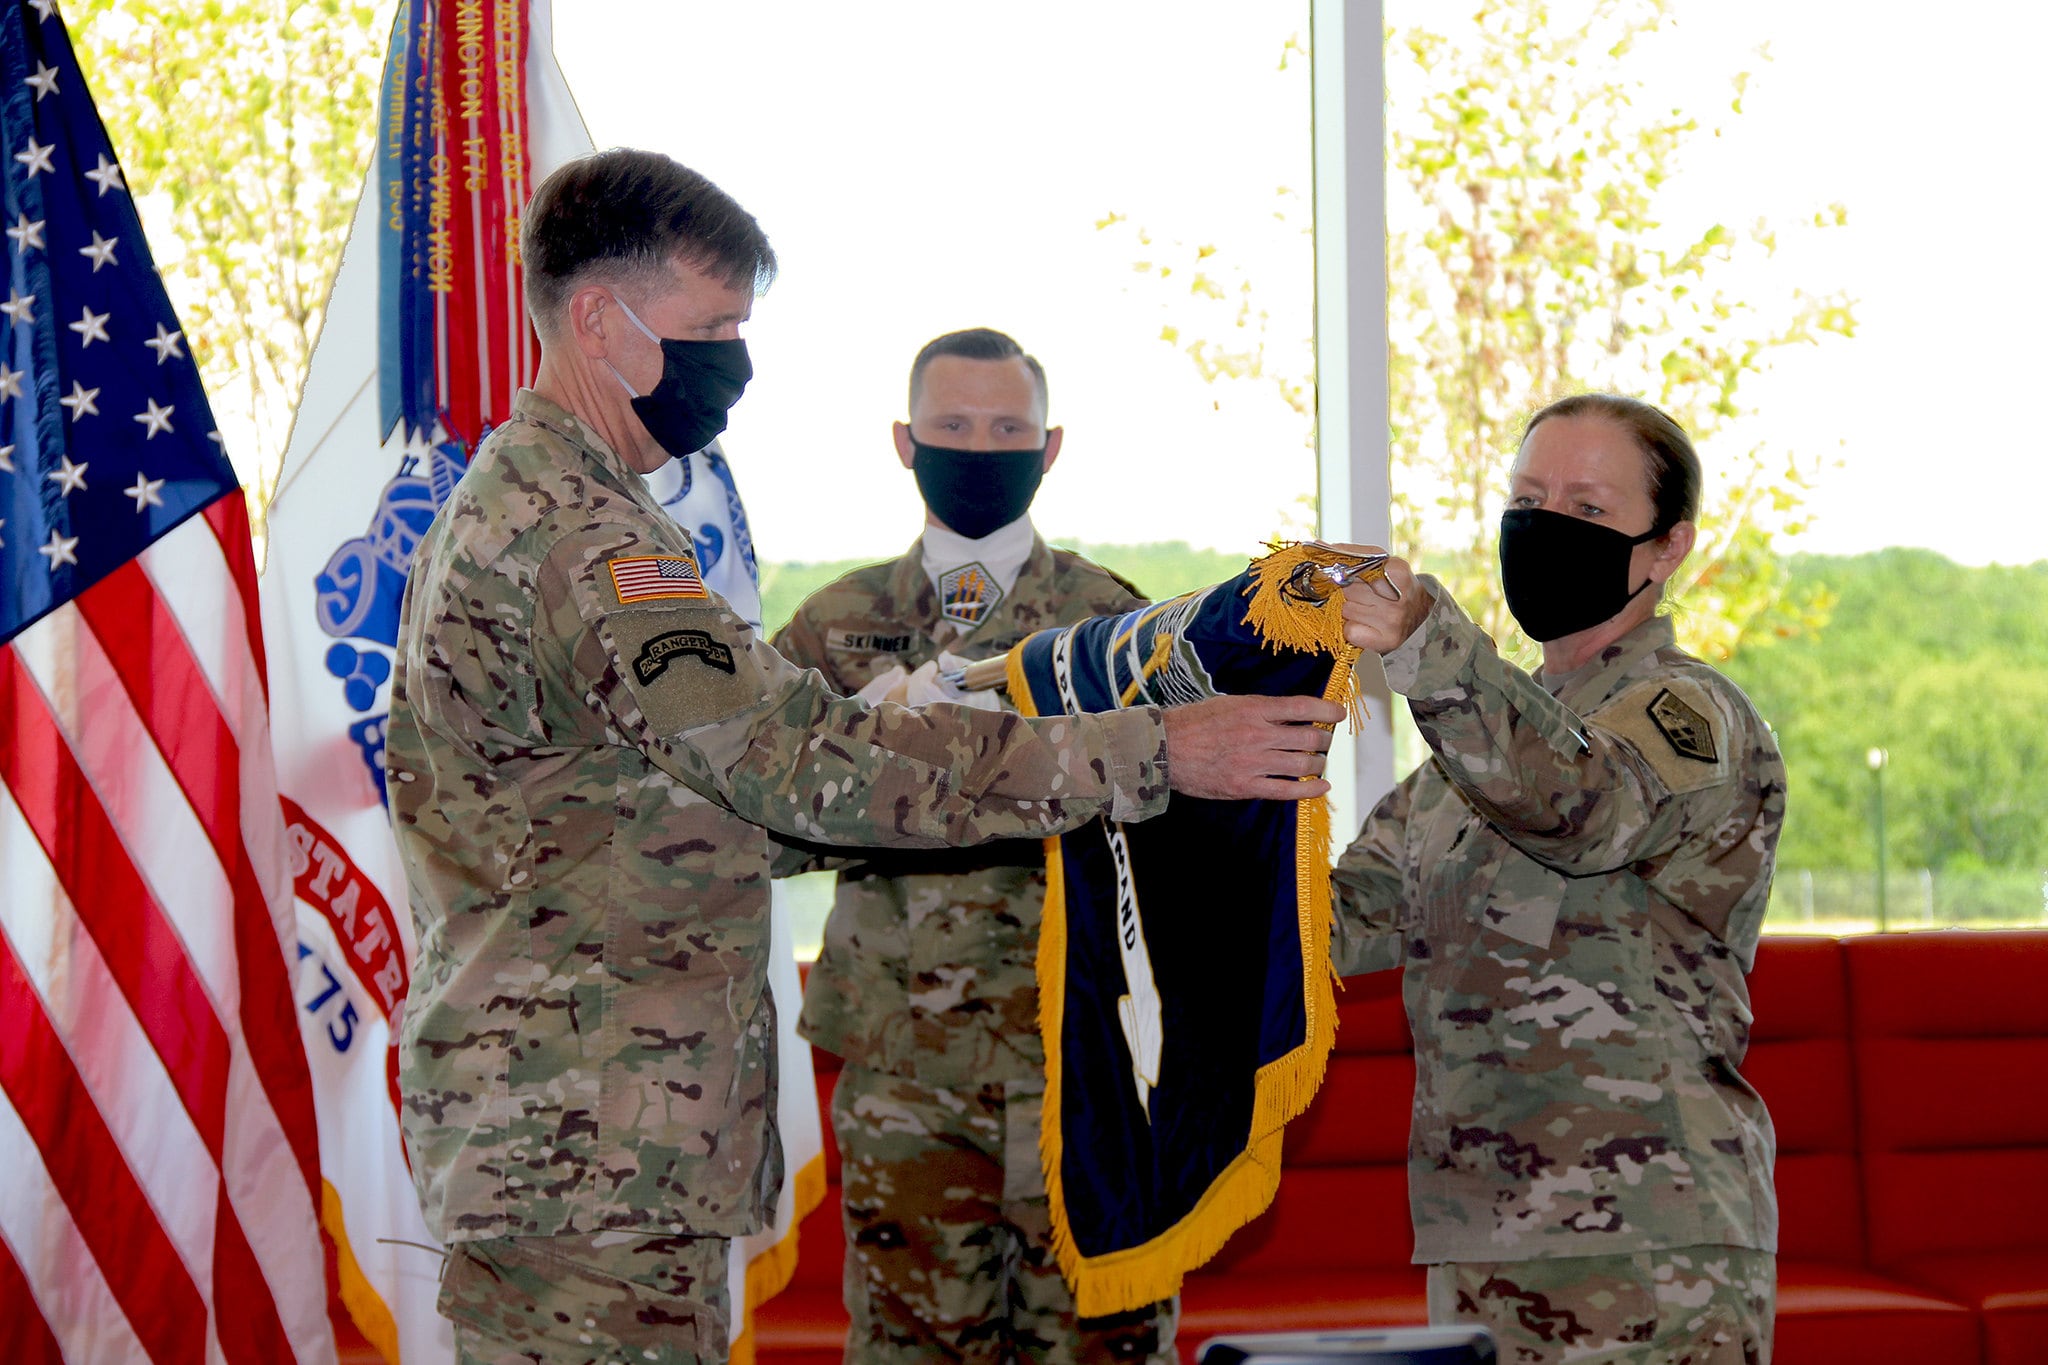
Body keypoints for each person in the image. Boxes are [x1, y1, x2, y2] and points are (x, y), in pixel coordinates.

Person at [384, 149, 1341, 1365]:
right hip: (591, 1143)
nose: (734, 359)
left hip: (586, 1126)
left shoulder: (541, 504)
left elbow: (709, 810)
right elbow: (800, 766)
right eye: (712, 325)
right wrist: (1153, 748)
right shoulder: (582, 537)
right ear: (595, 320)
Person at [1330, 394, 1785, 1364]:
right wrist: (1192, 774)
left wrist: (1423, 641)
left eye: (1583, 509)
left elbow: (1578, 806)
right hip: (1478, 1242)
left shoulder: (1686, 716)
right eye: (1526, 497)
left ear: (1663, 550)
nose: (1541, 527)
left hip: (1644, 1247)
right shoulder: (1462, 768)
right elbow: (1337, 922)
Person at [773, 328, 1174, 1363]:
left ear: (1050, 449)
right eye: (952, 427)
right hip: (906, 1073)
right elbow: (757, 823)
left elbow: (1185, 817)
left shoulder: (1112, 621)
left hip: (1084, 1062)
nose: (980, 447)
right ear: (904, 442)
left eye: (1007, 429)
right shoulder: (830, 629)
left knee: (1103, 1345)